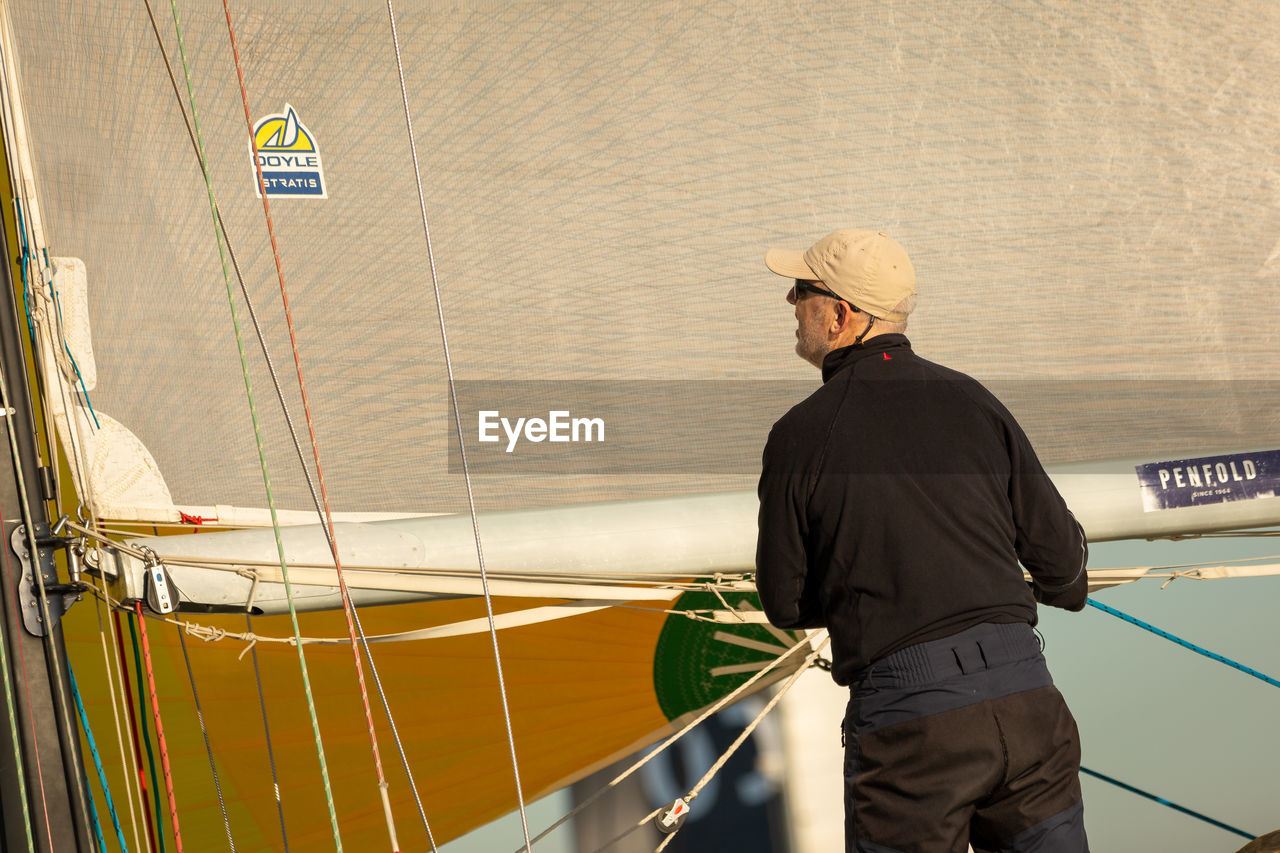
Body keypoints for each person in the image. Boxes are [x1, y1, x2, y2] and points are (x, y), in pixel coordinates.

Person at [755, 228, 1090, 852]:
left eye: (800, 292)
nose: (791, 306)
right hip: (1026, 699)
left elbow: (785, 601)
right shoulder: (973, 400)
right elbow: (1065, 571)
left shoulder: (799, 436)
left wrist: (880, 595)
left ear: (840, 315)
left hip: (913, 721)